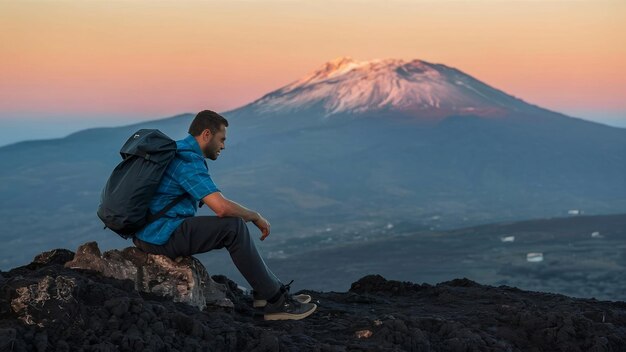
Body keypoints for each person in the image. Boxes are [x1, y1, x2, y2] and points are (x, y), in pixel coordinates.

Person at [132, 110, 317, 321]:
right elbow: (221, 207)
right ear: (207, 134)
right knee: (233, 227)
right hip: (160, 236)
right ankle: (277, 303)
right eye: (222, 139)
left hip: (152, 232)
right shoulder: (186, 161)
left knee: (234, 225)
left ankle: (265, 294)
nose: (223, 146)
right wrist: (255, 216)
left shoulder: (177, 152)